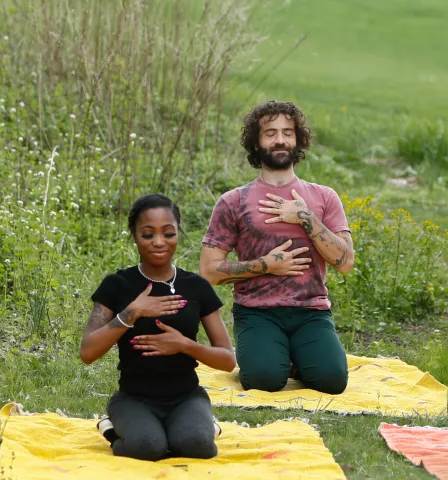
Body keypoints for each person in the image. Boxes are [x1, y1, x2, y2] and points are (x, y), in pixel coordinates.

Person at [200, 101, 354, 394]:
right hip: (257, 312)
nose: (280, 139)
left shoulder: (324, 197)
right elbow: (209, 272)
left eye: (287, 132)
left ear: (298, 140)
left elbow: (345, 262)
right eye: (270, 133)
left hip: (312, 311)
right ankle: (276, 354)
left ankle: (297, 355)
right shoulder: (233, 201)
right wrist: (266, 265)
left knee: (332, 381)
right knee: (264, 380)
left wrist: (305, 216)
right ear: (256, 144)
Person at [81, 194, 236, 461]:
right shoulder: (117, 285)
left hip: (186, 397)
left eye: (168, 233)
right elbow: (87, 352)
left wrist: (185, 345)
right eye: (148, 234)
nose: (159, 242)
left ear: (178, 233)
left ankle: (200, 426)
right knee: (147, 448)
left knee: (198, 447)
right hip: (134, 398)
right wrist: (132, 312)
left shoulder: (196, 287)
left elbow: (227, 361)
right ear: (134, 235)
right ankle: (112, 429)